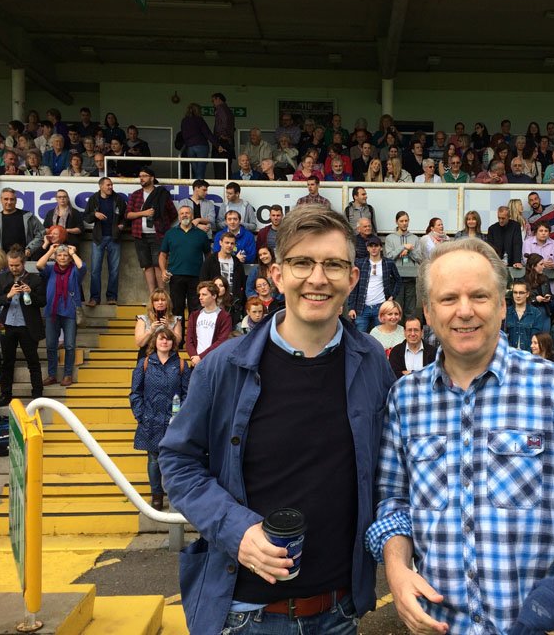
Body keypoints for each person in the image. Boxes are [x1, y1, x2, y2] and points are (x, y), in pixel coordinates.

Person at [366, 238, 554, 634]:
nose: (464, 311)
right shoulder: (405, 399)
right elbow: (393, 501)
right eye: (448, 299)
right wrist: (396, 569)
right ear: (427, 311)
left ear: (501, 305)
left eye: (479, 296)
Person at [159, 205, 395, 635]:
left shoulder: (373, 363)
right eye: (302, 262)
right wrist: (237, 531)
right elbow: (177, 463)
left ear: (353, 279)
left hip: (339, 612)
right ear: (278, 274)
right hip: (244, 614)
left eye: (333, 265)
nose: (318, 278)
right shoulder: (222, 367)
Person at [130, 326, 191, 511]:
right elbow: (135, 393)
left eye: (168, 339)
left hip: (174, 421)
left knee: (175, 459)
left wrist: (182, 416)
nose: (164, 342)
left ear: (173, 343)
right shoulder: (145, 364)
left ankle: (174, 494)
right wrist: (141, 415)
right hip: (151, 420)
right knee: (153, 460)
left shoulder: (181, 364)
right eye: (161, 339)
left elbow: (188, 393)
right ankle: (156, 495)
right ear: (154, 342)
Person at [0, 248, 46, 408]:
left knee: (33, 362)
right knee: (7, 362)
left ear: (23, 263)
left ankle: (37, 396)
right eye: (11, 265)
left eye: (16, 265)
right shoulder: (3, 278)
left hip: (27, 326)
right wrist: (9, 295)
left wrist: (30, 293)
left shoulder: (34, 279)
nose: (14, 268)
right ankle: (5, 395)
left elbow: (43, 301)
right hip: (8, 325)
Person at [159, 202, 211, 342]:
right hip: (176, 276)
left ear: (192, 215)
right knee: (177, 309)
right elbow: (163, 255)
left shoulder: (201, 234)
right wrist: (163, 270)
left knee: (196, 310)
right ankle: (178, 340)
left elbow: (208, 255)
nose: (184, 215)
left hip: (197, 277)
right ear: (179, 216)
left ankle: (194, 340)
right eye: (182, 213)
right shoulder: (171, 233)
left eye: (187, 213)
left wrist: (206, 275)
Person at [36, 244, 85, 387]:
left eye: (65, 256)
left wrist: (73, 252)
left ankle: (67, 374)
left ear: (69, 259)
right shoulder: (51, 270)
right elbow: (39, 265)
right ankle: (52, 375)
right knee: (51, 345)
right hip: (52, 312)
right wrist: (51, 250)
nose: (63, 258)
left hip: (69, 312)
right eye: (60, 255)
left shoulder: (75, 271)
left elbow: (82, 267)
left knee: (69, 345)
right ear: (55, 258)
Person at [125, 167, 177, 294]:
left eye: (144, 175)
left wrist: (162, 225)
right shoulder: (136, 195)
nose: (141, 178)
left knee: (158, 264)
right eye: (140, 176)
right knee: (146, 265)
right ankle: (152, 295)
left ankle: (162, 294)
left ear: (152, 178)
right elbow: (128, 215)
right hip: (140, 234)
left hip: (158, 235)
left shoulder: (162, 193)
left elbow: (173, 213)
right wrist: (144, 213)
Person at [84, 177, 126, 306]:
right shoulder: (93, 199)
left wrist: (122, 225)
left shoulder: (118, 199)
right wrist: (94, 215)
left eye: (111, 185)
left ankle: (111, 297)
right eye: (108, 185)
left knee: (114, 270)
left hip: (114, 238)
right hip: (98, 238)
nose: (110, 187)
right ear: (101, 186)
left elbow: (125, 216)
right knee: (95, 270)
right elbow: (86, 217)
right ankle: (94, 298)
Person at [347, 235, 401, 333]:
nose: (374, 248)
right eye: (371, 246)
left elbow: (398, 280)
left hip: (381, 306)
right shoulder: (360, 263)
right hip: (362, 307)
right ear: (367, 248)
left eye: (376, 245)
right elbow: (353, 286)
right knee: (359, 337)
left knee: (380, 336)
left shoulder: (388, 263)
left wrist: (392, 296)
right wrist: (351, 308)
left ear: (381, 247)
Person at [0, 188, 45, 260]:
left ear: (16, 201)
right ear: (1, 200)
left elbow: (41, 235)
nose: (9, 202)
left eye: (12, 199)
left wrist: (30, 248)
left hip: (23, 262)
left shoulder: (28, 217)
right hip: (1, 263)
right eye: (6, 199)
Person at [200, 230, 248, 320]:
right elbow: (203, 282)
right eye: (227, 243)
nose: (229, 245)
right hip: (214, 301)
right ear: (220, 243)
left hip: (232, 303)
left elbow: (242, 284)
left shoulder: (237, 262)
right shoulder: (210, 260)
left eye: (232, 243)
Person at [186, 281, 232, 367]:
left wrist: (201, 357)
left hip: (215, 363)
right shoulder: (194, 315)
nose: (200, 297)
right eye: (199, 295)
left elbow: (222, 341)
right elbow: (189, 340)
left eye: (204, 294)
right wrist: (194, 357)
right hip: (196, 363)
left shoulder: (224, 316)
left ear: (214, 296)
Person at [384, 211, 420, 320]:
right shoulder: (390, 238)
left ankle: (410, 334)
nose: (404, 223)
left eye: (406, 221)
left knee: (410, 310)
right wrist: (403, 247)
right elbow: (389, 257)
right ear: (396, 222)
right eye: (401, 221)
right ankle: (398, 335)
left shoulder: (414, 238)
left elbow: (419, 258)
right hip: (395, 279)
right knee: (396, 309)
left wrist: (409, 251)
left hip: (410, 277)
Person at [134, 288, 182, 361]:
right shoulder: (142, 319)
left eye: (163, 300)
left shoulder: (175, 319)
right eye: (156, 300)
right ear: (152, 303)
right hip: (147, 356)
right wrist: (151, 330)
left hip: (169, 356)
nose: (160, 303)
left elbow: (178, 342)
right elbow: (140, 343)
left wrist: (169, 328)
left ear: (167, 302)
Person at [504, 278, 546, 351]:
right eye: (515, 292)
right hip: (509, 355)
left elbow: (536, 339)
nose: (518, 296)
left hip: (528, 355)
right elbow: (502, 337)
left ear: (527, 294)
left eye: (521, 293)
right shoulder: (505, 312)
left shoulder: (536, 314)